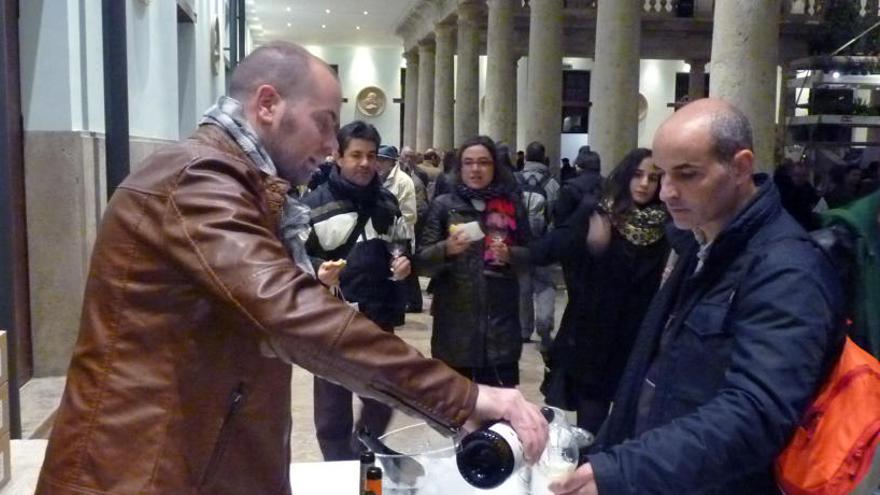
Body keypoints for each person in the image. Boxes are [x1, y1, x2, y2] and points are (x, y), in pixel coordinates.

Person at [36, 41, 547, 495]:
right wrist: (462, 396)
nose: (330, 145)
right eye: (324, 121)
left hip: (192, 459)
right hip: (142, 470)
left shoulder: (240, 182)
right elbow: (289, 312)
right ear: (267, 104)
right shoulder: (198, 180)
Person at [550, 99, 845, 495]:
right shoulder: (703, 241)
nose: (667, 192)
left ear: (741, 167)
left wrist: (628, 469)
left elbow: (756, 413)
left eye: (687, 175)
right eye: (662, 175)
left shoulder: (788, 269)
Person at [536, 148, 669, 434]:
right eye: (638, 175)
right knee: (590, 425)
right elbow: (552, 250)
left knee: (629, 423)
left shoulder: (668, 226)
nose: (645, 184)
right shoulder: (599, 212)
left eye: (654, 178)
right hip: (594, 336)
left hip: (637, 337)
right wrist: (591, 248)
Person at [302, 122, 411, 460]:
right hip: (331, 320)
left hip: (378, 318)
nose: (365, 163)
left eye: (371, 156)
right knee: (333, 409)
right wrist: (318, 272)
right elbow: (294, 258)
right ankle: (340, 469)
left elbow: (401, 243)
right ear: (337, 156)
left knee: (384, 397)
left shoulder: (388, 203)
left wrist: (404, 263)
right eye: (355, 155)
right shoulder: (313, 205)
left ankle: (360, 446)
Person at [416, 135, 532, 387]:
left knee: (499, 410)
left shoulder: (511, 204)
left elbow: (533, 255)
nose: (475, 169)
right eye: (468, 163)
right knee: (458, 412)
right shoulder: (444, 206)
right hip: (456, 326)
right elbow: (422, 261)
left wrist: (510, 255)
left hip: (500, 326)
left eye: (483, 162)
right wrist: (446, 248)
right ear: (460, 167)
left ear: (495, 167)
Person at [517, 141, 561, 352]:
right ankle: (544, 324)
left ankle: (524, 329)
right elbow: (555, 215)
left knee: (522, 287)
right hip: (543, 243)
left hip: (520, 244)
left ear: (525, 158)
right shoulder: (551, 184)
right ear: (544, 159)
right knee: (544, 285)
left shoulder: (515, 181)